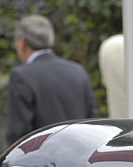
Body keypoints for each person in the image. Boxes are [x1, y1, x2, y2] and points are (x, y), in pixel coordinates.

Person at [6, 15, 98, 145]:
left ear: (22, 42)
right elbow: (92, 120)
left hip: (43, 159)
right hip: (80, 154)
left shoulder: (22, 76)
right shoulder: (77, 70)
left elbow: (18, 132)